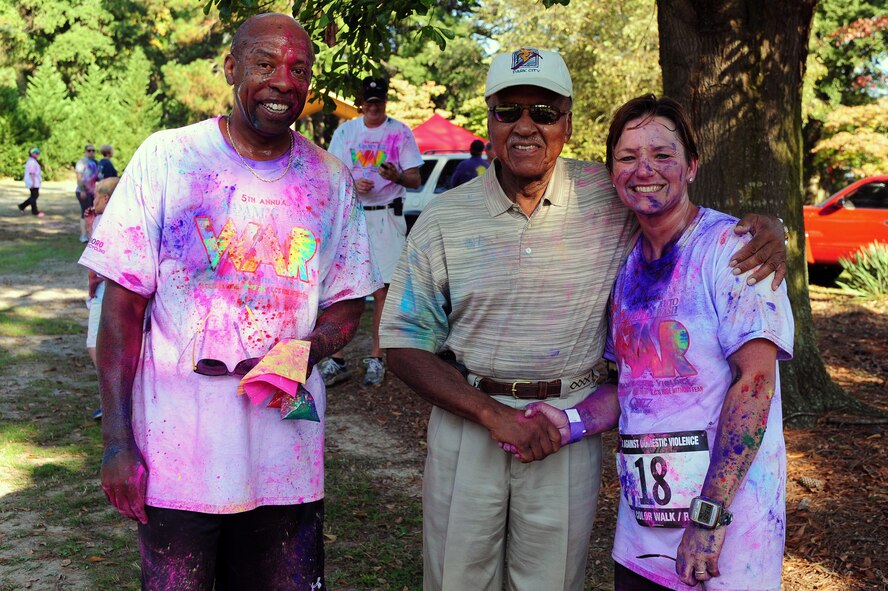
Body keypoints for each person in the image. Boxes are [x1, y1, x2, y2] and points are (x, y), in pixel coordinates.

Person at [378, 47, 787, 591]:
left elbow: (674, 203)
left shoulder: (609, 196)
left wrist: (771, 227)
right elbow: (402, 343)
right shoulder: (443, 218)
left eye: (544, 112)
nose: (526, 126)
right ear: (490, 119)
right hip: (472, 424)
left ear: (567, 123)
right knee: (456, 579)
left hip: (568, 430)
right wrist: (490, 414)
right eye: (509, 110)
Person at [78, 13, 381, 590]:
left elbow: (347, 304)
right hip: (178, 460)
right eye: (264, 64)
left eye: (298, 69)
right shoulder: (169, 158)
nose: (282, 82)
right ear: (231, 68)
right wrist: (117, 442)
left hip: (286, 460)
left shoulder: (330, 178)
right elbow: (120, 309)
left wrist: (309, 349)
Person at [523, 94, 793, 590]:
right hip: (643, 532)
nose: (644, 168)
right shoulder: (626, 270)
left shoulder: (736, 252)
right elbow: (631, 388)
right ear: (612, 173)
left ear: (691, 166)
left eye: (662, 155)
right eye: (627, 157)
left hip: (728, 533)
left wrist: (709, 518)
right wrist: (570, 423)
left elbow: (755, 383)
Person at [320, 76, 423, 386]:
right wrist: (353, 181)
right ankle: (337, 360)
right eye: (368, 102)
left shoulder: (400, 132)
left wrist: (398, 176)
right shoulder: (347, 131)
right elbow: (331, 172)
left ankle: (376, 358)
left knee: (382, 291)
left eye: (378, 102)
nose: (373, 107)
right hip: (354, 215)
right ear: (360, 103)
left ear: (385, 102)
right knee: (344, 287)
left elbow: (416, 180)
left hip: (386, 218)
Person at [84, 176, 120, 421]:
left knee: (95, 346)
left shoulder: (103, 223)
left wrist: (92, 282)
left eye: (96, 196)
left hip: (103, 290)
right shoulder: (119, 219)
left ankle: (111, 402)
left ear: (106, 199)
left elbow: (94, 262)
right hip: (116, 290)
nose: (93, 200)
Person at [75, 143, 99, 242]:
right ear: (85, 152)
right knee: (85, 212)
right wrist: (83, 190)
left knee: (93, 212)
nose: (91, 152)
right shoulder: (81, 162)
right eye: (89, 150)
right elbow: (79, 177)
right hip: (83, 191)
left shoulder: (94, 163)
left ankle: (91, 234)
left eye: (93, 150)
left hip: (93, 192)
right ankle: (83, 235)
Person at [19, 147, 44, 217]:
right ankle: (35, 212)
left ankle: (22, 206)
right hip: (33, 181)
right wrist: (33, 183)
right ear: (32, 154)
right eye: (36, 153)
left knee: (34, 196)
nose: (37, 154)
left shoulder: (32, 161)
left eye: (38, 153)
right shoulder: (32, 162)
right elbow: (32, 173)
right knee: (34, 196)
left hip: (34, 181)